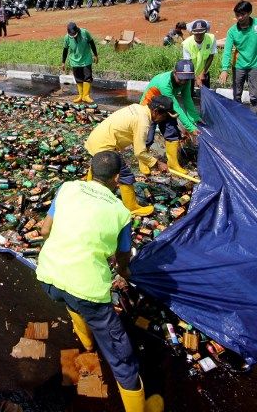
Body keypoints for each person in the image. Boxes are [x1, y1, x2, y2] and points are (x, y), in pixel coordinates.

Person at [36, 150, 164, 412]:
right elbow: (122, 256)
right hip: (87, 290)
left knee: (70, 302)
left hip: (48, 276)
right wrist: (125, 272)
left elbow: (45, 229)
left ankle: (87, 344)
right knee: (122, 356)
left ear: (91, 171)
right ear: (117, 179)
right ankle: (139, 409)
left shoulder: (68, 188)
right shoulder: (120, 212)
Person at [85, 96, 176, 216]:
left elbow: (134, 138)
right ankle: (131, 207)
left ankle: (87, 192)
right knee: (125, 174)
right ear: (156, 112)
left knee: (97, 167)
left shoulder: (137, 108)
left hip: (95, 140)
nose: (163, 120)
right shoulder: (143, 122)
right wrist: (157, 163)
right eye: (164, 116)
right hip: (104, 146)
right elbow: (139, 152)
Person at [139, 59, 201, 176]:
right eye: (181, 78)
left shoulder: (186, 81)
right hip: (150, 108)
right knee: (148, 137)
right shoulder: (164, 82)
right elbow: (176, 106)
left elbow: (187, 100)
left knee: (172, 133)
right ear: (174, 72)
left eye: (186, 79)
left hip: (166, 107)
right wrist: (189, 127)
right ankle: (143, 161)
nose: (183, 82)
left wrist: (195, 119)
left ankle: (173, 163)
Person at [220, 0, 257, 113]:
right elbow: (227, 51)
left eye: (242, 14)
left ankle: (253, 119)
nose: (239, 18)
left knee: (254, 96)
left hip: (254, 66)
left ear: (249, 13)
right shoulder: (232, 31)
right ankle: (239, 117)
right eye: (237, 15)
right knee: (237, 95)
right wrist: (224, 69)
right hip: (238, 66)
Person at [62, 22, 98, 104]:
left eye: (74, 33)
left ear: (77, 30)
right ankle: (81, 95)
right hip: (74, 61)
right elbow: (65, 50)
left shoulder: (84, 32)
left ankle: (86, 96)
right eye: (71, 34)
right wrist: (63, 62)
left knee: (87, 77)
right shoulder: (67, 38)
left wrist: (95, 55)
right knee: (78, 78)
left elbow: (92, 43)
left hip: (86, 59)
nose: (73, 35)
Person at [182, 19, 217, 89]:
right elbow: (188, 64)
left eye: (201, 33)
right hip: (191, 73)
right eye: (196, 33)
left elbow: (211, 56)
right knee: (189, 93)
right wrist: (196, 78)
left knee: (206, 93)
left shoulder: (211, 39)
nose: (199, 35)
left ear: (206, 31)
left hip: (205, 71)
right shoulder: (186, 44)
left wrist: (203, 73)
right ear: (192, 32)